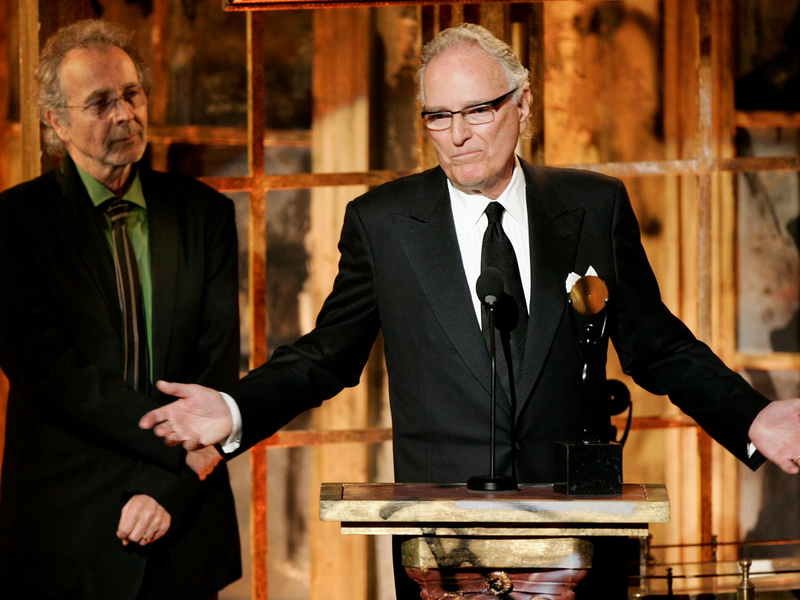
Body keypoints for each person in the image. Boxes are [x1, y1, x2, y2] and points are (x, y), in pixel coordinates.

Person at [140, 23, 800, 596]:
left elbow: (657, 345)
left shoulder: (593, 208)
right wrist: (233, 410)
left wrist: (753, 415)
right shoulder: (384, 223)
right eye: (437, 116)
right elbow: (327, 355)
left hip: (576, 532)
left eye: (478, 111)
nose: (456, 136)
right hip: (442, 549)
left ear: (524, 105)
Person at [0, 20, 241, 600]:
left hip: (183, 523)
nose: (125, 115)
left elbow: (214, 364)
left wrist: (169, 489)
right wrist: (179, 458)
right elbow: (54, 377)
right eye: (100, 103)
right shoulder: (13, 225)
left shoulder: (203, 214)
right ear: (56, 121)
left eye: (132, 94)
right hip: (67, 526)